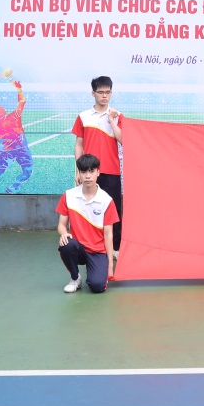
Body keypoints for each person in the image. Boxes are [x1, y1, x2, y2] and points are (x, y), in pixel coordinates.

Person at [73, 76, 123, 249]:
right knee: (87, 208)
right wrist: (79, 170)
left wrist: (111, 120)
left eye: (108, 92)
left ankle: (115, 247)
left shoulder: (117, 116)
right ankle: (89, 245)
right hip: (89, 171)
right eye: (100, 92)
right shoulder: (83, 116)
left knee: (113, 209)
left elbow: (123, 139)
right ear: (93, 93)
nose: (104, 96)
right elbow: (79, 144)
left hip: (111, 170)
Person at [56, 154, 118, 294]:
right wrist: (64, 233)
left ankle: (97, 273)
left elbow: (108, 235)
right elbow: (61, 225)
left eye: (91, 171)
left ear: (98, 172)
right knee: (66, 244)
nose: (88, 176)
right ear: (79, 173)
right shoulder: (69, 195)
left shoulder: (106, 201)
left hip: (97, 251)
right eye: (83, 172)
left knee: (97, 286)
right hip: (78, 248)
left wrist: (110, 265)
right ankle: (75, 278)